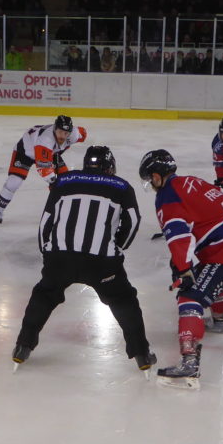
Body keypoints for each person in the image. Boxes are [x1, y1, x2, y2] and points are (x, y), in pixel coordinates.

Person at [12, 146, 155, 372]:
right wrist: (117, 246)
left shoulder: (63, 180)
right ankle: (141, 354)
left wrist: (48, 254)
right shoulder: (121, 186)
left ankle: (23, 345)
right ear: (110, 167)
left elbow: (46, 221)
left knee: (44, 295)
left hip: (59, 258)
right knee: (123, 301)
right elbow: (133, 221)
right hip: (102, 262)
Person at [138, 149, 223, 389]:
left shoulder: (167, 196)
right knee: (209, 278)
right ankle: (220, 320)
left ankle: (189, 361)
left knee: (189, 295)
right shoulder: (188, 181)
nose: (150, 184)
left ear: (157, 175)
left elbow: (179, 238)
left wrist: (183, 271)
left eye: (150, 178)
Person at [0, 114, 88, 226]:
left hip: (50, 153)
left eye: (66, 133)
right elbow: (44, 169)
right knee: (14, 182)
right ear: (55, 128)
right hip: (25, 152)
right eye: (60, 132)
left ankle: (65, 211)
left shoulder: (73, 134)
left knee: (65, 182)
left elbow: (83, 133)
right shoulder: (45, 140)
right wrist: (54, 182)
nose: (62, 136)